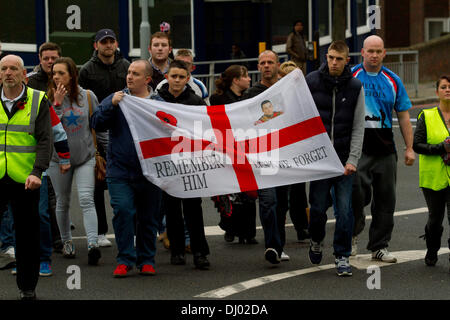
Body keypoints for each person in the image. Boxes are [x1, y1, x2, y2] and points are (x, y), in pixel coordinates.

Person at [91, 59, 162, 277]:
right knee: (123, 211)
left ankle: (146, 260)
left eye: (136, 74)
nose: (129, 77)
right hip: (120, 170)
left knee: (148, 217)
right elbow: (96, 123)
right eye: (129, 73)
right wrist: (110, 105)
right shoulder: (118, 98)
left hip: (150, 170)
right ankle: (125, 259)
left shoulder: (158, 102)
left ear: (147, 79)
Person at [351, 35, 415, 262]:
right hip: (358, 149)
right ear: (362, 52)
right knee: (356, 194)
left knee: (386, 199)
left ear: (384, 53)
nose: (375, 55)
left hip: (386, 149)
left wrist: (409, 148)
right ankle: (353, 233)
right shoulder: (352, 76)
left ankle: (379, 246)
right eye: (371, 51)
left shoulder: (393, 80)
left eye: (379, 51)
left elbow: (404, 116)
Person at [305, 40, 365, 276]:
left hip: (343, 161)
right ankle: (316, 240)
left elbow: (359, 126)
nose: (333, 62)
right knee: (318, 209)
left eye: (338, 59)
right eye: (330, 57)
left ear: (346, 60)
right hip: (319, 160)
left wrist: (353, 159)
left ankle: (342, 255)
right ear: (325, 57)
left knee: (345, 209)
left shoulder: (355, 86)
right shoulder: (311, 82)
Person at [0, 54, 52, 300]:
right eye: (4, 68)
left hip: (26, 179)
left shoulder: (38, 100)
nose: (8, 72)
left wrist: (37, 171)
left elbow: (45, 140)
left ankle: (27, 288)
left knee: (27, 236)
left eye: (13, 69)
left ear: (24, 74)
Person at [46, 57, 105, 265]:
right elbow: (49, 131)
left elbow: (98, 125)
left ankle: (92, 244)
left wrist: (105, 152)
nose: (57, 77)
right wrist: (58, 105)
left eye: (61, 73)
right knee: (62, 201)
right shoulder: (47, 99)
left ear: (72, 75)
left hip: (84, 157)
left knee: (87, 199)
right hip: (58, 159)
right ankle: (66, 241)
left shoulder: (88, 96)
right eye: (54, 73)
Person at [152, 60, 210, 269]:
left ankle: (200, 252)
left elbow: (206, 130)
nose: (176, 80)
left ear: (187, 79)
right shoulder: (156, 101)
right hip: (166, 161)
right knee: (171, 207)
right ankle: (176, 250)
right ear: (166, 77)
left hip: (190, 161)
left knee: (194, 208)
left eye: (181, 77)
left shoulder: (196, 102)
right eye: (173, 76)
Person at [79, 28, 130, 248]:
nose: (108, 45)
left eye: (111, 41)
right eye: (104, 42)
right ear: (96, 45)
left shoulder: (126, 66)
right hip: (97, 128)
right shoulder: (87, 70)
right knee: (98, 180)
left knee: (129, 179)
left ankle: (134, 229)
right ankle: (100, 232)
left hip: (123, 128)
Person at [242, 50, 284, 264]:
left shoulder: (286, 91)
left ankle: (280, 244)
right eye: (262, 63)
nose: (266, 66)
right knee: (268, 201)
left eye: (270, 62)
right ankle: (273, 247)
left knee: (282, 203)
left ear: (278, 64)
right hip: (263, 155)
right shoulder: (251, 94)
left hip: (287, 153)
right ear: (258, 67)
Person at [209, 65, 257, 245]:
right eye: (246, 76)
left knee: (248, 191)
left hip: (246, 148)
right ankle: (230, 228)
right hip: (226, 148)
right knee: (230, 192)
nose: (249, 79)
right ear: (236, 80)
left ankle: (248, 232)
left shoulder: (249, 97)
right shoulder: (217, 99)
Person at [413, 75, 450, 268]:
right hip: (433, 177)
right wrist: (441, 148)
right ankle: (432, 248)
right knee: (435, 219)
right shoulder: (426, 116)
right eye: (444, 87)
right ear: (437, 92)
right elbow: (417, 145)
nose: (448, 90)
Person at [276, 61, 310, 255]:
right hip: (280, 152)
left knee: (298, 192)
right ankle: (278, 235)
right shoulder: (273, 99)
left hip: (297, 150)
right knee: (280, 197)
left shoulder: (305, 100)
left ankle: (302, 226)